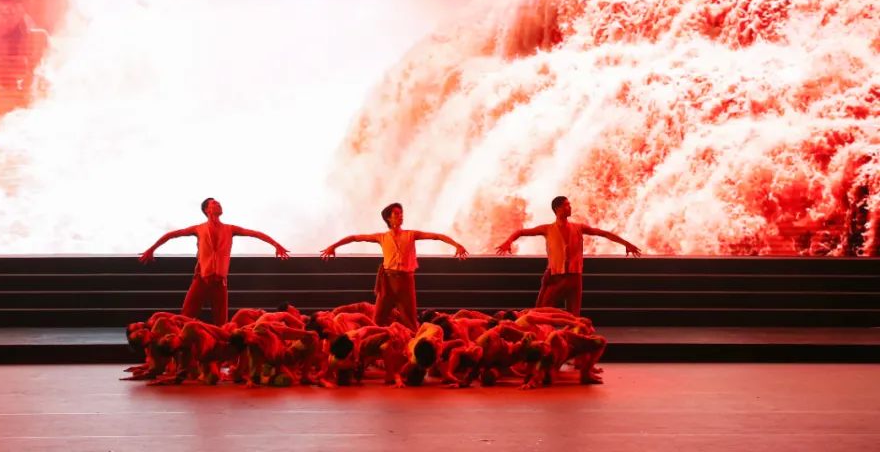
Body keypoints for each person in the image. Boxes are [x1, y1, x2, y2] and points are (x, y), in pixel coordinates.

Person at [139, 197, 290, 325]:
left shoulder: (230, 229)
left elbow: (255, 233)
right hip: (202, 279)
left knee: (221, 323)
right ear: (207, 209)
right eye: (214, 203)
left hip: (219, 282)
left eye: (219, 203)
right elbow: (172, 234)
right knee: (186, 317)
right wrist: (151, 249)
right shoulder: (199, 229)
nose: (218, 204)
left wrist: (276, 245)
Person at [320, 202, 468, 330]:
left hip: (405, 281)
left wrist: (457, 245)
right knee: (378, 319)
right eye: (397, 213)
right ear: (389, 218)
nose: (400, 216)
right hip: (388, 282)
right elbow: (354, 238)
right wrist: (333, 246)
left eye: (401, 213)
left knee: (410, 321)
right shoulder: (382, 237)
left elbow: (437, 236)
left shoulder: (411, 235)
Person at [495, 195, 641, 314]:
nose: (570, 207)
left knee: (574, 315)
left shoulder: (578, 228)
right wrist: (508, 242)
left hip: (574, 277)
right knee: (542, 311)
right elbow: (521, 232)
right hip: (556, 276)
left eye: (569, 205)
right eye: (566, 205)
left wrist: (626, 243)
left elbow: (603, 233)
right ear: (557, 209)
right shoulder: (547, 229)